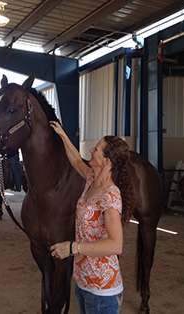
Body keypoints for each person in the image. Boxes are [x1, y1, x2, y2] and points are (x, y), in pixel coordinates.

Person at [49, 121, 135, 314]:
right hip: (83, 280)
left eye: (97, 148)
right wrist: (62, 134)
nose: (92, 150)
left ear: (107, 161)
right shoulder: (91, 179)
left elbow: (116, 245)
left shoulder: (110, 196)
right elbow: (76, 160)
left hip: (102, 290)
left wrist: (72, 248)